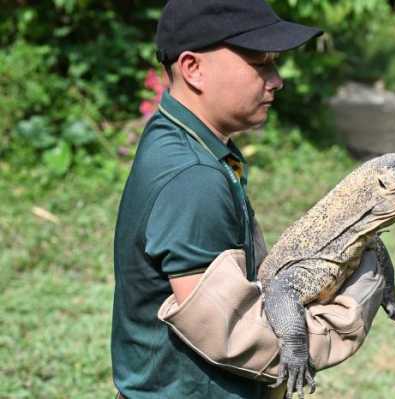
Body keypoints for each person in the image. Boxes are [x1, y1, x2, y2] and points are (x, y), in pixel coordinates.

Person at [111, 1, 322, 398]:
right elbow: (225, 332)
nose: (276, 80)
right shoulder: (194, 176)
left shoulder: (179, 135)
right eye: (260, 63)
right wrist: (329, 330)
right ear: (194, 68)